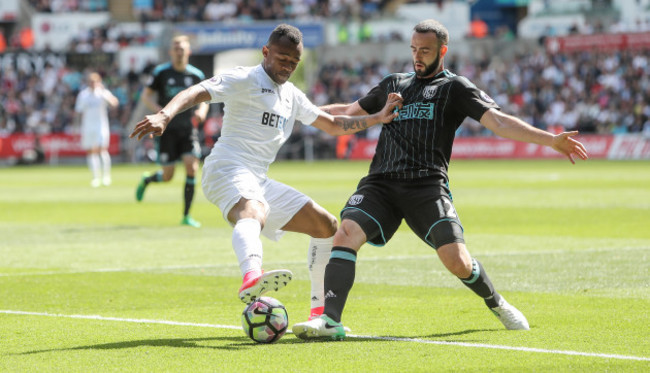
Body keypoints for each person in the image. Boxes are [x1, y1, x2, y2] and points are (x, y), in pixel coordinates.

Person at [291, 19, 589, 340]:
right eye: (414, 49)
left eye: (425, 51)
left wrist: (550, 140)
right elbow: (347, 111)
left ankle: (496, 301)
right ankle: (330, 320)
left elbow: (499, 122)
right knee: (346, 233)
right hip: (381, 184)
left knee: (457, 261)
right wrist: (298, 109)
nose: (417, 56)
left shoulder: (455, 88)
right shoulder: (394, 83)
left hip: (426, 186)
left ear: (442, 51)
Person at [130, 25, 403, 317]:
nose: (287, 66)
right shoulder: (244, 77)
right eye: (282, 58)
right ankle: (251, 276)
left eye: (293, 62)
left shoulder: (292, 95)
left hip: (257, 179)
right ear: (265, 52)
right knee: (254, 211)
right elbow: (197, 91)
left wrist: (376, 118)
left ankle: (319, 314)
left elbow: (332, 124)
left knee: (326, 225)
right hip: (226, 168)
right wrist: (164, 114)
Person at [135, 35, 209, 228]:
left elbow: (206, 99)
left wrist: (201, 112)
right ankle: (148, 180)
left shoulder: (196, 75)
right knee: (168, 176)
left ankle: (186, 216)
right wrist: (159, 112)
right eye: (176, 48)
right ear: (171, 52)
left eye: (182, 49)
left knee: (192, 168)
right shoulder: (161, 73)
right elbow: (146, 95)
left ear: (188, 52)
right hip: (166, 130)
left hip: (187, 130)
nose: (179, 52)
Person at [74, 72, 119, 187]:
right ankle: (95, 177)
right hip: (88, 126)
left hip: (101, 125)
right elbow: (78, 111)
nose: (93, 84)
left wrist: (105, 94)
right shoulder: (83, 95)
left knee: (102, 150)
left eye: (95, 82)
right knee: (91, 151)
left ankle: (106, 176)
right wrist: (76, 126)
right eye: (91, 82)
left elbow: (115, 103)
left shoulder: (103, 93)